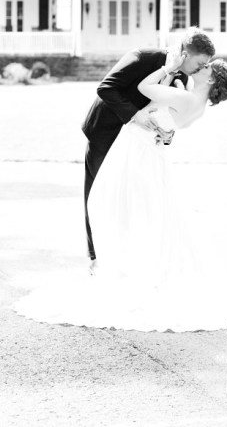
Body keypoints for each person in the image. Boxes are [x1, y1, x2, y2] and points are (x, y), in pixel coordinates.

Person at [12, 51, 227, 332]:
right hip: (152, 154)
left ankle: (124, 266)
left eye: (207, 67)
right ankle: (135, 263)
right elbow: (171, 121)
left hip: (138, 151)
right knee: (150, 211)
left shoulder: (184, 96)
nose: (202, 66)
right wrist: (172, 102)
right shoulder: (197, 104)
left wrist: (167, 69)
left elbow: (144, 88)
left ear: (211, 79)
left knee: (118, 204)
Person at [81, 27, 215, 267]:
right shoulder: (143, 56)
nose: (200, 69)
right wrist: (135, 115)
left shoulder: (184, 80)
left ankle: (124, 256)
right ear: (185, 54)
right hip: (107, 133)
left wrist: (167, 134)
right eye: (199, 63)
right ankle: (95, 257)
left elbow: (170, 115)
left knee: (130, 199)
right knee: (98, 195)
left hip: (138, 148)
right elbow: (106, 88)